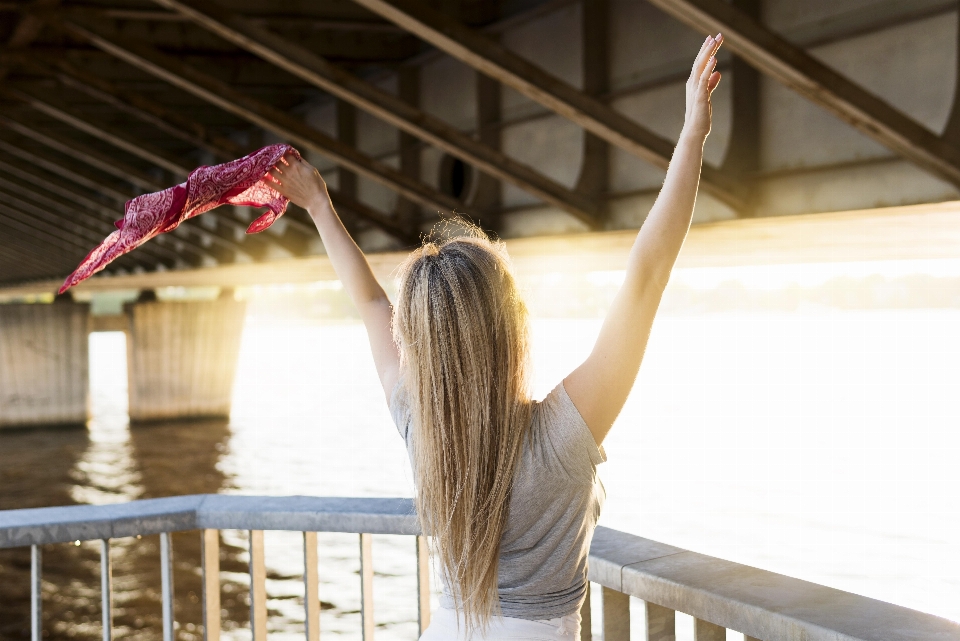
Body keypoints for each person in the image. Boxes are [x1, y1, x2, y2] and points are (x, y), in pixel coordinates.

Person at [262, 33, 724, 641]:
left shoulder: (421, 427)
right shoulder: (561, 438)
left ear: (419, 342)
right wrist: (691, 134)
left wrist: (320, 204)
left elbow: (372, 301)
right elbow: (646, 274)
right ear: (508, 326)